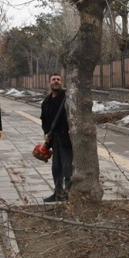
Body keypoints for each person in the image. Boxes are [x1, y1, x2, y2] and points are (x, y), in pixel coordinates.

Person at [40, 73, 72, 202]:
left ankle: (68, 194)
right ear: (49, 83)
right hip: (54, 139)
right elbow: (44, 120)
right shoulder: (46, 101)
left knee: (67, 168)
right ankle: (58, 193)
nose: (56, 82)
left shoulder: (67, 98)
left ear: (62, 83)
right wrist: (46, 133)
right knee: (56, 168)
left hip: (66, 138)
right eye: (53, 80)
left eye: (58, 80)